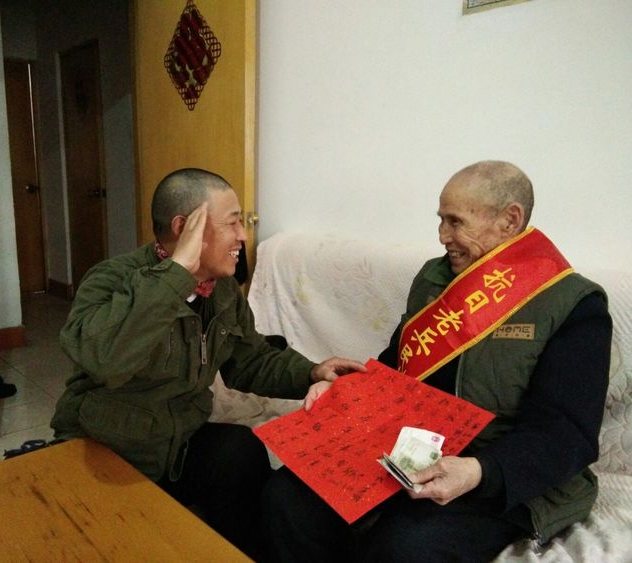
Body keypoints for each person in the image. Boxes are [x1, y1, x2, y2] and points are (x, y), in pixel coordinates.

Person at [262, 161, 612, 562]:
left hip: (498, 471)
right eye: (441, 220)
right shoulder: (435, 278)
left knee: (404, 545)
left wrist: (479, 470)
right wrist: (342, 393)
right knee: (288, 497)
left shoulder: (571, 303)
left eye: (455, 222)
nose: (443, 235)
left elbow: (566, 434)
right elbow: (396, 369)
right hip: (411, 451)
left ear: (510, 220)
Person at [50, 168, 365, 559]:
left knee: (241, 451)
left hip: (178, 445)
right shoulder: (111, 279)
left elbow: (250, 360)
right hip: (108, 448)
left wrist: (311, 372)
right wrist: (176, 275)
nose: (243, 236)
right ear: (185, 228)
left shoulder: (223, 290)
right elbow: (106, 360)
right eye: (232, 223)